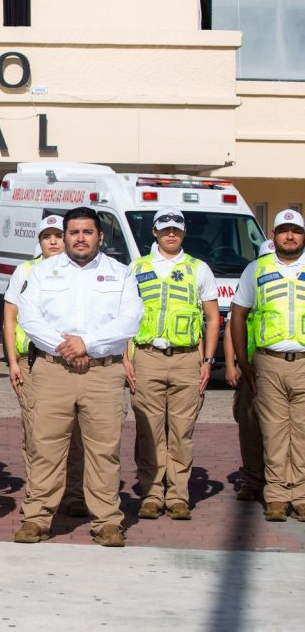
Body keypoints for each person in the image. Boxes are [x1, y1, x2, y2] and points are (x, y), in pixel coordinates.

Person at [16, 206, 143, 547]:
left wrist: (87, 343)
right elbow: (29, 317)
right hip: (53, 370)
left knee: (104, 451)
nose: (80, 238)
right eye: (74, 232)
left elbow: (131, 319)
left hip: (103, 373)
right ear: (65, 236)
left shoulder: (121, 274)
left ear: (100, 236)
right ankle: (37, 519)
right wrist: (67, 349)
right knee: (46, 448)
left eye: (87, 232)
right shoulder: (43, 272)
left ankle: (107, 522)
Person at [123, 207, 220, 521]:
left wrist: (208, 360)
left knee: (181, 432)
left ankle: (178, 496)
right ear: (154, 231)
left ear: (183, 232)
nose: (171, 234)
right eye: (165, 229)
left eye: (176, 229)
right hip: (147, 357)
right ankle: (152, 495)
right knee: (149, 431)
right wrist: (126, 356)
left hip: (186, 359)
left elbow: (212, 318)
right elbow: (124, 315)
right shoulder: (136, 267)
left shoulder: (198, 268)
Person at [2, 215, 87, 516]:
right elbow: (10, 318)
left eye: (57, 235)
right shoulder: (25, 270)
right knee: (36, 430)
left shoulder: (80, 270)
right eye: (46, 236)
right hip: (32, 361)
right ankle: (38, 492)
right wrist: (12, 362)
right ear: (38, 242)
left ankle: (74, 494)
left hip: (71, 361)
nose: (53, 241)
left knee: (75, 431)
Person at [230, 209, 305, 522]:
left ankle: (300, 496)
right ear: (273, 236)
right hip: (269, 361)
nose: (290, 236)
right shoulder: (256, 269)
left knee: (301, 433)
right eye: (283, 230)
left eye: (296, 231)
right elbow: (238, 314)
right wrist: (243, 361)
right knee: (273, 432)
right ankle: (276, 496)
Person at [223, 239, 274, 503]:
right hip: (249, 369)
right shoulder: (250, 285)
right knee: (250, 427)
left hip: (274, 365)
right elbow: (231, 329)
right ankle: (252, 480)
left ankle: (280, 481)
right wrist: (232, 365)